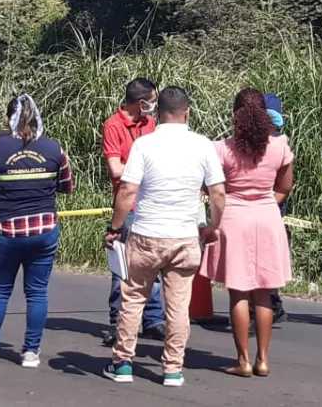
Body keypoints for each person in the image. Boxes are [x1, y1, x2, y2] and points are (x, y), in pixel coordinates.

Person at [103, 86, 226, 387]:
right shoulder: (203, 145)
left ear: (156, 114)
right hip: (184, 237)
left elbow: (127, 190)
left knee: (132, 300)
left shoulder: (144, 144)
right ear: (188, 112)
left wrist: (115, 228)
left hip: (146, 234)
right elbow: (218, 193)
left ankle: (122, 364)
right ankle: (172, 369)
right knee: (178, 306)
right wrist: (213, 227)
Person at [200, 88, 294, 377]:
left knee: (238, 292)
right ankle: (263, 360)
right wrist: (264, 203)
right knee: (263, 292)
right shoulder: (280, 146)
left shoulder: (221, 148)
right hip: (267, 217)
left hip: (234, 218)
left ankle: (243, 361)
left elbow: (212, 188)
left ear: (235, 116)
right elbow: (284, 186)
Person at [0, 94, 74, 368]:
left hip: (6, 229)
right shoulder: (54, 149)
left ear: (9, 118)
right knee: (37, 292)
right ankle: (31, 352)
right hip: (44, 229)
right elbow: (67, 186)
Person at [101, 78, 166, 346]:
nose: (155, 105)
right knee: (122, 267)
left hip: (151, 204)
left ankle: (153, 320)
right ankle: (118, 322)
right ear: (141, 102)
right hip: (128, 205)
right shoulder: (113, 125)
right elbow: (115, 169)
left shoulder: (150, 124)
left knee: (153, 263)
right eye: (153, 100)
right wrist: (144, 168)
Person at [248, 93, 289, 328]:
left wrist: (268, 204)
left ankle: (266, 307)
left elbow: (284, 184)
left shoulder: (279, 144)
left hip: (269, 206)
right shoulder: (261, 141)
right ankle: (270, 304)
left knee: (261, 258)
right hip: (262, 206)